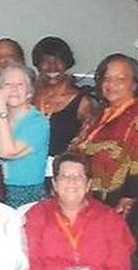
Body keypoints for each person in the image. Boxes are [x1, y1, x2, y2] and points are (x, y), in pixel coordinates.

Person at [75, 53, 138, 213]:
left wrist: (129, 199)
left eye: (120, 79)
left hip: (122, 209)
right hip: (89, 204)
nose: (111, 84)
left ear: (135, 84)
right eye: (107, 78)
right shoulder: (99, 114)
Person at [30, 36, 98, 171]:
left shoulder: (83, 102)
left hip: (63, 174)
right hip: (27, 171)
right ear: (37, 64)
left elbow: (88, 143)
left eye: (58, 60)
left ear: (67, 63)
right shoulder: (26, 96)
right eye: (45, 61)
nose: (52, 67)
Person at [0, 64, 50, 207]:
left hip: (27, 193)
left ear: (29, 92)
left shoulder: (38, 122)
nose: (14, 89)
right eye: (8, 84)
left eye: (20, 84)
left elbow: (7, 152)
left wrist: (0, 110)